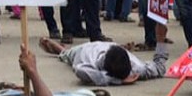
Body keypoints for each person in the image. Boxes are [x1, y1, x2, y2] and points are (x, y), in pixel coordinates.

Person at [38, 26, 168, 86]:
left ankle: (61, 49)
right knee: (67, 54)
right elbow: (78, 70)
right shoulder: (88, 63)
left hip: (110, 47)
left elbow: (160, 68)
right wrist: (117, 80)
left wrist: (161, 39)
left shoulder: (136, 68)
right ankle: (61, 50)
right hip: (86, 50)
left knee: (69, 54)